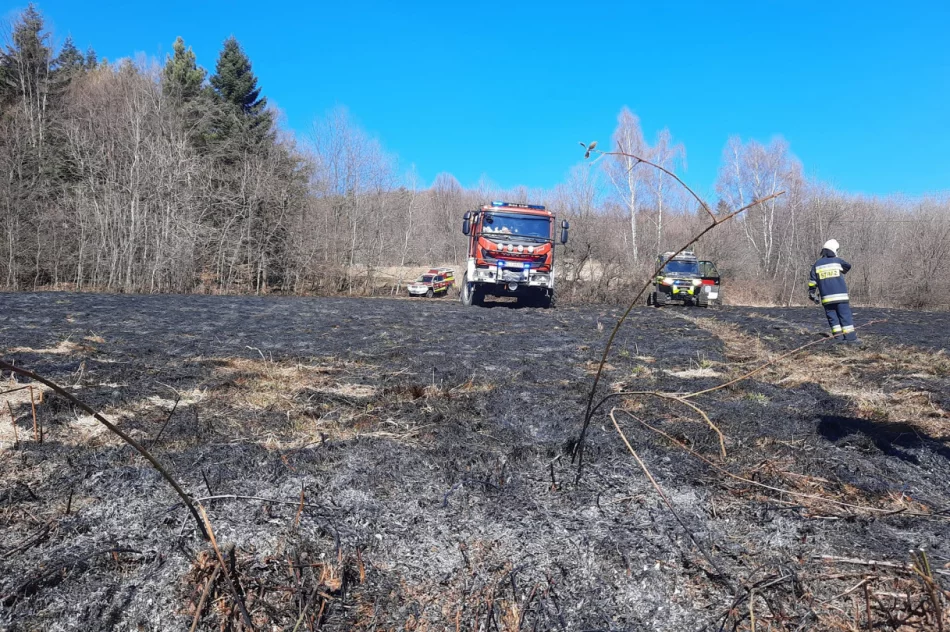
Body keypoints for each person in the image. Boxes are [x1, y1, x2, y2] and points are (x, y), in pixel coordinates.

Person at [808, 239, 859, 344]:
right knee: (845, 317)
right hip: (841, 298)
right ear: (834, 250)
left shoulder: (817, 264)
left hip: (826, 299)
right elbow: (848, 266)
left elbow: (812, 282)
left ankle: (838, 339)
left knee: (833, 319)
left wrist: (812, 293)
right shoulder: (838, 261)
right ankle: (851, 339)